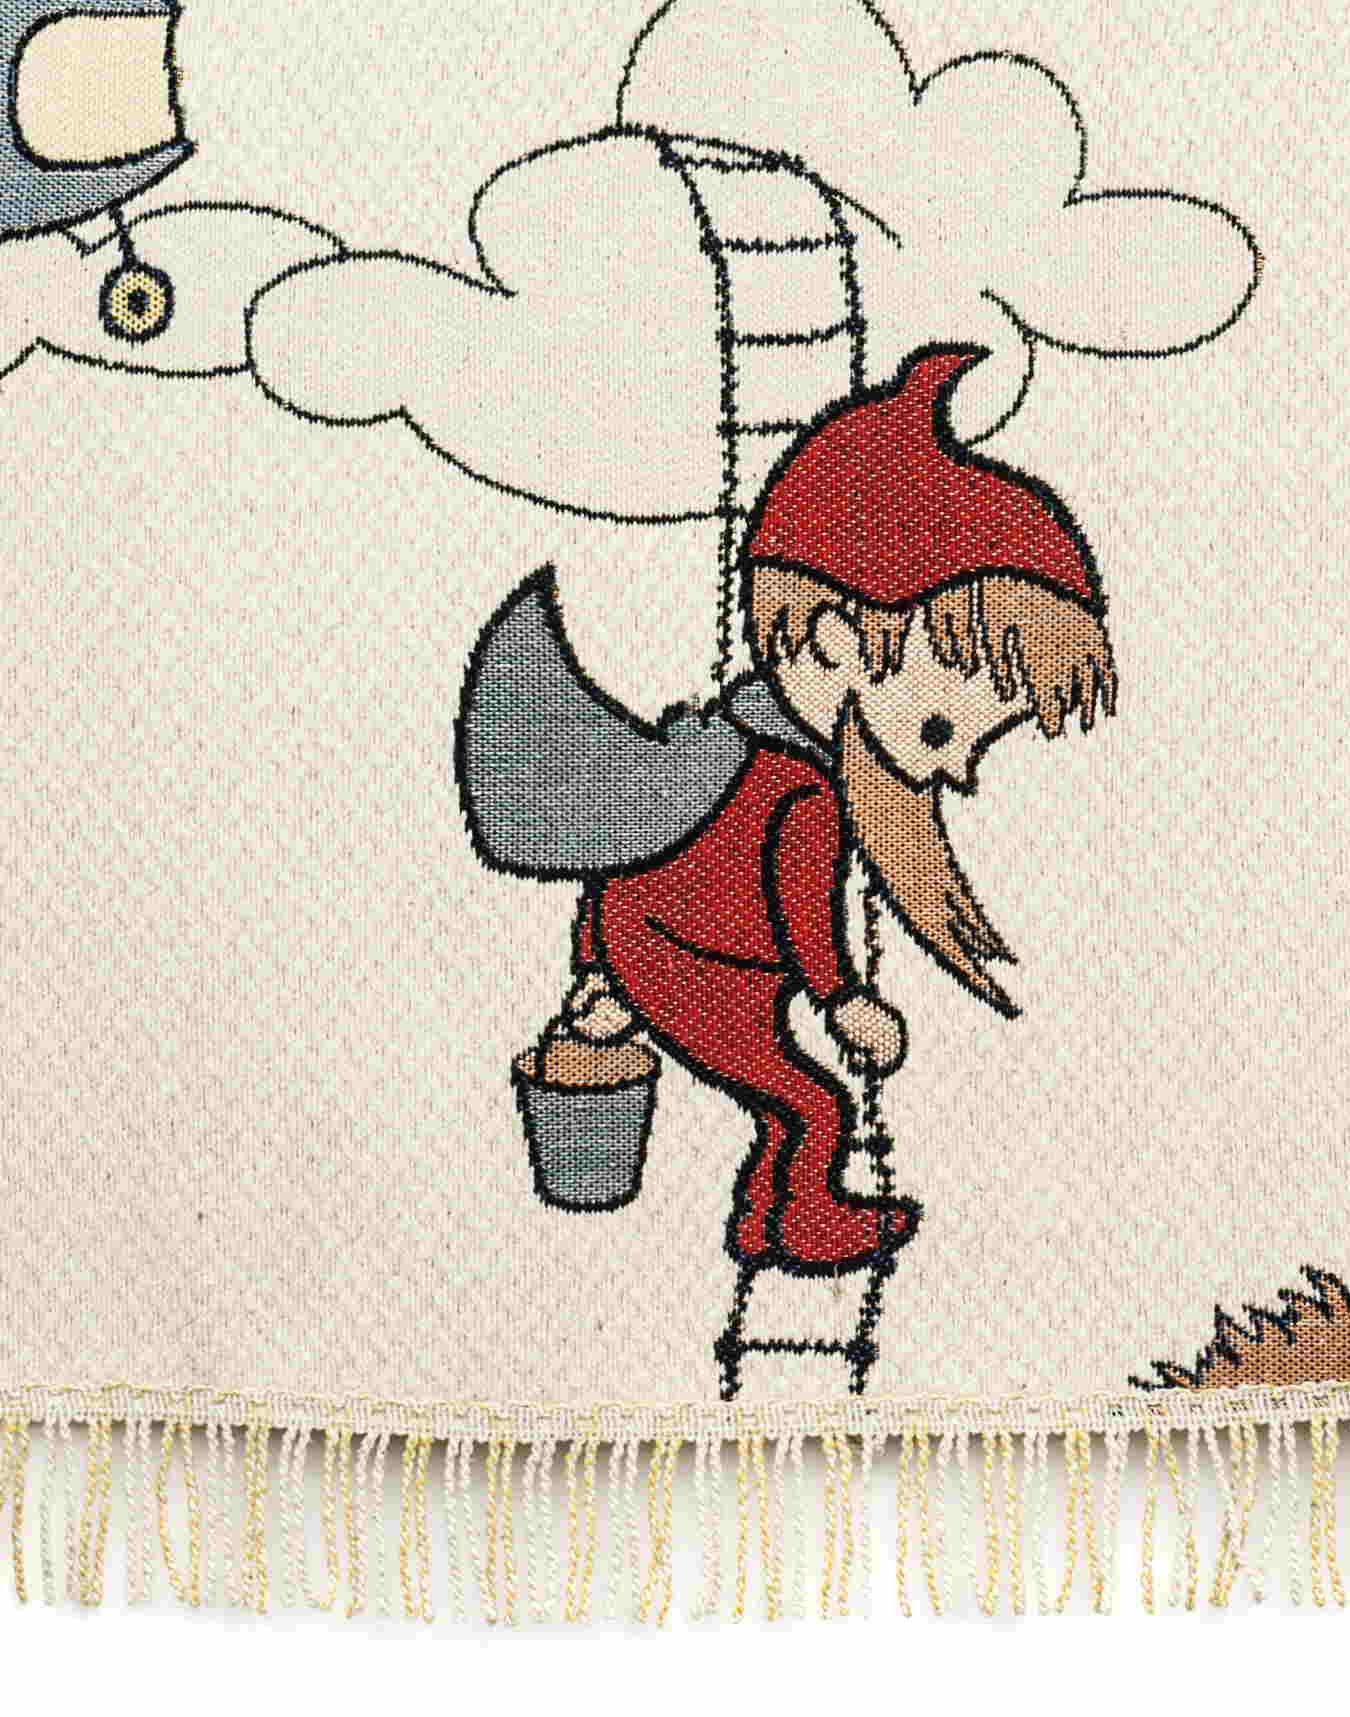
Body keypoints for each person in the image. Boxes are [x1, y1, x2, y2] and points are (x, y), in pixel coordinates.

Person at [456, 344, 1116, 1275]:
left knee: (793, 1105)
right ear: (835, 642)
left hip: (663, 954)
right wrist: (843, 1001)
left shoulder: (723, 753)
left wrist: (597, 965)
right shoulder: (803, 790)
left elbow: (631, 857)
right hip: (696, 971)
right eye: (941, 728)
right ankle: (796, 1225)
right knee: (813, 1105)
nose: (957, 772)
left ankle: (769, 1220)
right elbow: (804, 908)